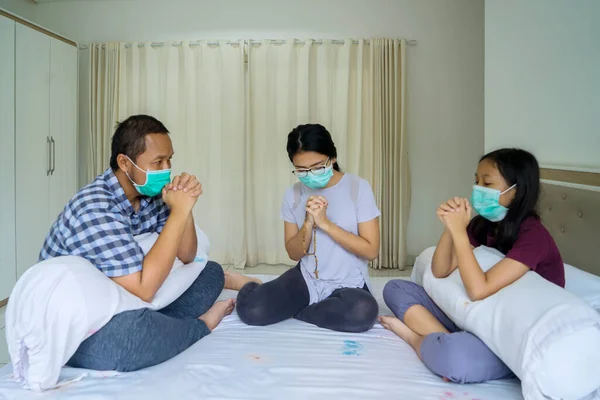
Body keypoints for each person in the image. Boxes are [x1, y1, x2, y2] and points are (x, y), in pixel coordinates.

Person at [39, 114, 257, 372]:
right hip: (77, 321)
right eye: (157, 162)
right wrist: (178, 212)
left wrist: (184, 206)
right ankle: (202, 325)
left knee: (210, 272)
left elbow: (188, 256)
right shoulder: (95, 207)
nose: (166, 169)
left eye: (169, 160)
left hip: (126, 297)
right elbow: (144, 289)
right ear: (125, 162)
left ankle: (163, 327)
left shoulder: (147, 194)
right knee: (129, 340)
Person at [380, 148, 565, 383]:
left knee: (456, 359)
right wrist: (450, 228)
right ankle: (446, 339)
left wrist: (459, 232)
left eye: (487, 183)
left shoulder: (534, 236)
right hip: (475, 317)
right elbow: (440, 270)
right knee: (395, 288)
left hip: (508, 335)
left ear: (516, 190)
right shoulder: (484, 224)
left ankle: (416, 340)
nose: (478, 190)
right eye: (476, 181)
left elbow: (479, 290)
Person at [236, 124, 380, 332]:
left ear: (333, 158)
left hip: (349, 281)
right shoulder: (293, 195)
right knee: (253, 310)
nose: (310, 175)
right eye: (302, 170)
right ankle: (252, 285)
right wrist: (309, 223)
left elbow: (371, 250)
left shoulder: (358, 188)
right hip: (307, 278)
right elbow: (294, 253)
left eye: (318, 166)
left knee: (363, 312)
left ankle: (301, 311)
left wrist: (326, 224)